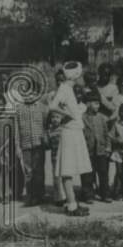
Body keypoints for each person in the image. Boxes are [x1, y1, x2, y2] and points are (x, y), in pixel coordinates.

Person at [50, 62, 93, 216]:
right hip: (69, 132)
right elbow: (52, 106)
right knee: (67, 169)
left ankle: (72, 201)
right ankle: (72, 205)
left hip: (75, 131)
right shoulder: (64, 88)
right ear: (76, 74)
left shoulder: (68, 89)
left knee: (73, 167)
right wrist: (67, 115)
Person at [82, 90, 112, 202]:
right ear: (88, 104)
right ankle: (88, 195)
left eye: (98, 103)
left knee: (103, 173)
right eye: (95, 103)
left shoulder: (101, 118)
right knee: (88, 174)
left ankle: (105, 194)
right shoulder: (82, 118)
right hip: (87, 151)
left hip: (101, 150)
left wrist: (108, 147)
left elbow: (106, 134)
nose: (98, 106)